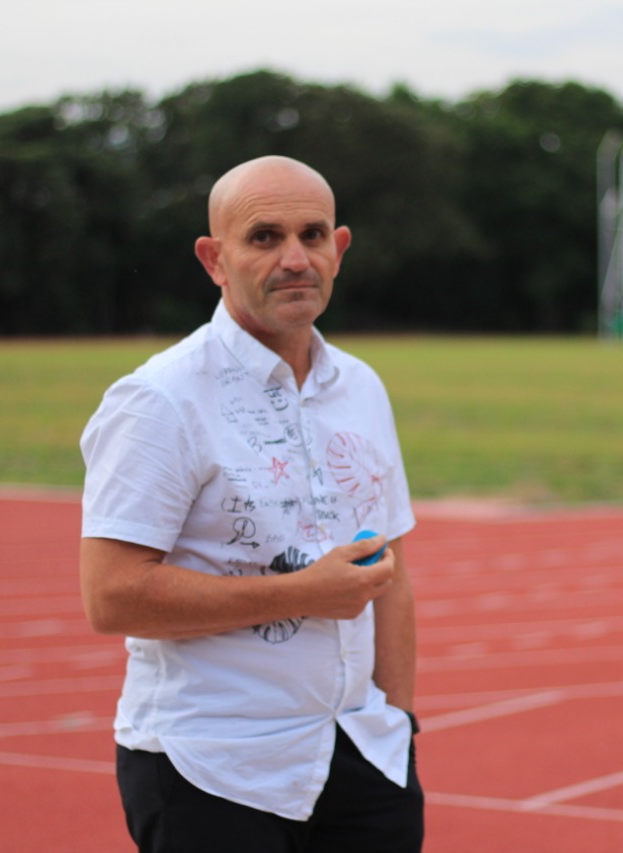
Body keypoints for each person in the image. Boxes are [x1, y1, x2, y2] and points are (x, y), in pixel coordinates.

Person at [79, 155, 422, 852]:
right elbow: (111, 596)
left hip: (363, 754)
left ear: (339, 249)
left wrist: (398, 722)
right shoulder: (159, 400)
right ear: (214, 259)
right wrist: (302, 593)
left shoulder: (360, 386)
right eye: (265, 237)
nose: (295, 259)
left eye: (312, 235)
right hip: (214, 769)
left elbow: (393, 574)